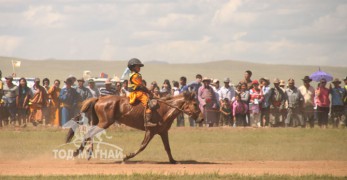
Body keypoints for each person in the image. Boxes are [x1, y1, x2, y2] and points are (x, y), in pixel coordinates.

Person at [127, 58, 157, 127]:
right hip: (137, 93)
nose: (139, 68)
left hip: (139, 92)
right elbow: (141, 86)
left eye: (139, 66)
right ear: (133, 67)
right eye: (138, 66)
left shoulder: (136, 74)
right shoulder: (135, 76)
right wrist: (149, 92)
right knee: (149, 104)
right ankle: (147, 122)